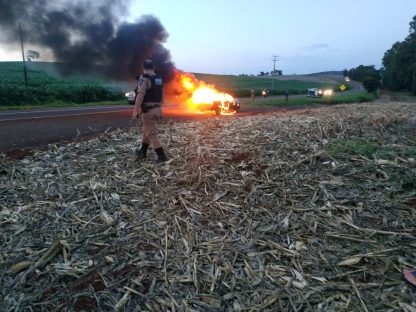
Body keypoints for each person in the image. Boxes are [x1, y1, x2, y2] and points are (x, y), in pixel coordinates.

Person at [132, 59, 167, 162]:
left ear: (143, 68)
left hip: (148, 111)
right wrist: (160, 106)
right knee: (146, 130)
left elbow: (140, 95)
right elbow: (162, 94)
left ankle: (161, 156)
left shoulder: (144, 79)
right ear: (153, 67)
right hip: (157, 109)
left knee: (151, 133)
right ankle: (143, 152)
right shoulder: (159, 78)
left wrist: (135, 110)